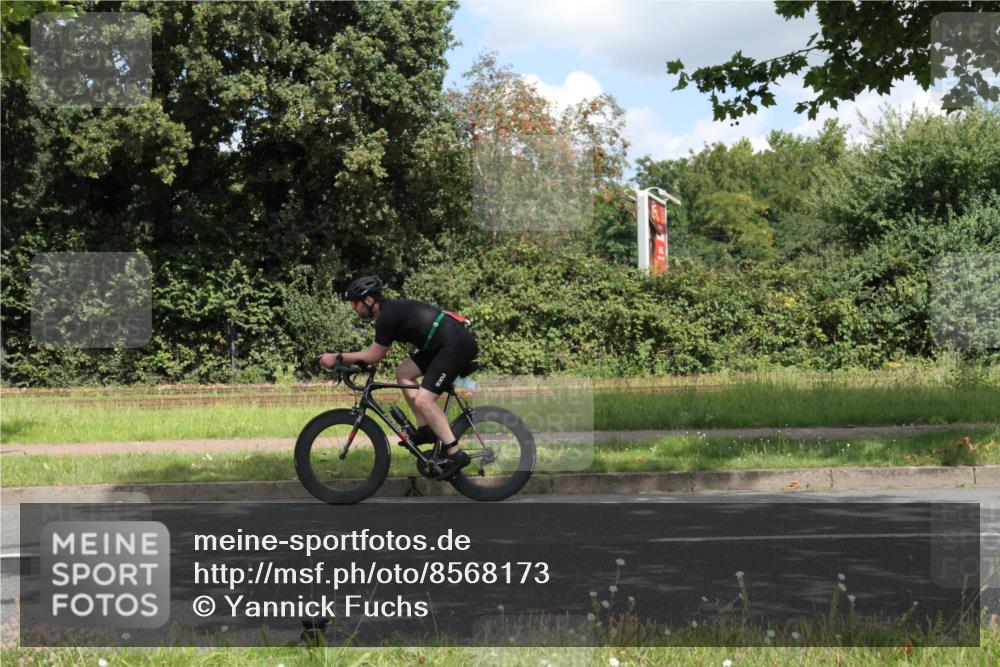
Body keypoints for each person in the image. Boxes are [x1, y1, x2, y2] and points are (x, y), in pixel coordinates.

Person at [318, 275, 477, 474]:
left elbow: (374, 355)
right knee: (403, 373)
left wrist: (337, 357)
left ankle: (455, 453)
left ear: (368, 300)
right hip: (439, 345)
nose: (354, 309)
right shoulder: (388, 313)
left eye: (354, 304)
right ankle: (426, 430)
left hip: (453, 345)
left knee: (424, 401)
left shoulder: (386, 317)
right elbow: (373, 354)